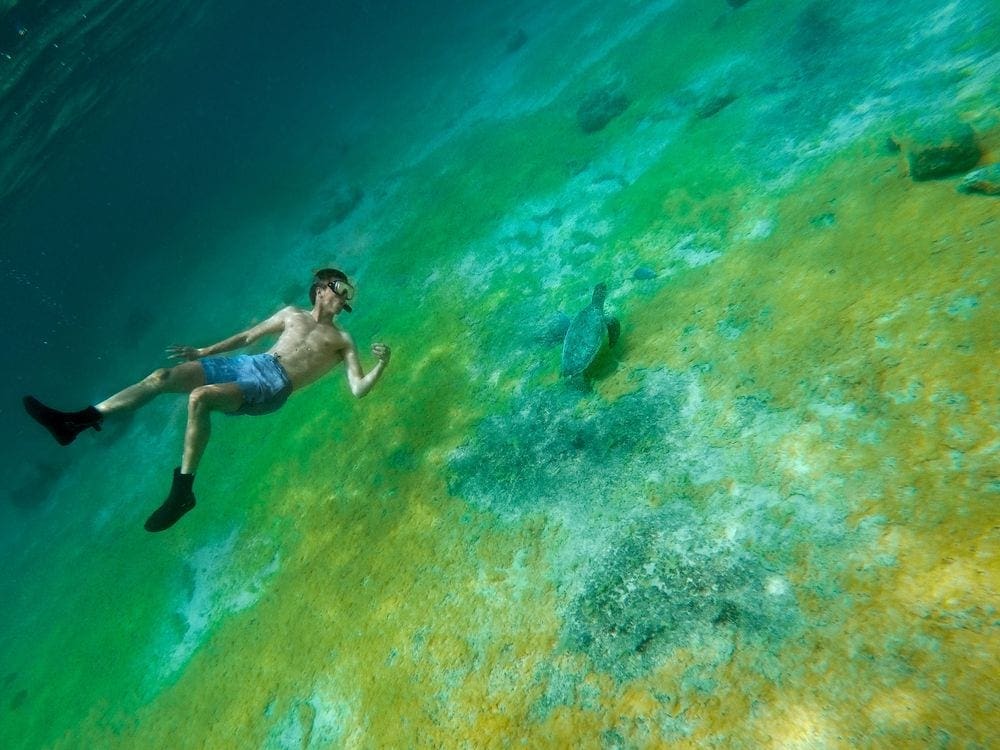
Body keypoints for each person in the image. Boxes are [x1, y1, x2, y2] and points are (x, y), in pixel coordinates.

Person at [23, 268, 391, 532]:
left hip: (274, 385)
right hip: (252, 364)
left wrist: (382, 364)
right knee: (160, 377)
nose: (345, 297)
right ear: (322, 288)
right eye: (341, 288)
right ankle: (78, 421)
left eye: (348, 297)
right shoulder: (291, 314)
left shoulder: (342, 341)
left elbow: (358, 389)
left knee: (199, 399)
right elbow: (249, 337)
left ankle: (183, 491)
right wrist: (203, 350)